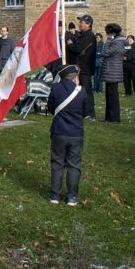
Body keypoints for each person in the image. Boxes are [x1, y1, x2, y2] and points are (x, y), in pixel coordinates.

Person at [47, 65, 86, 207]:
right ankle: (72, 197)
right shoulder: (82, 91)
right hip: (76, 133)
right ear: (75, 77)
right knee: (74, 165)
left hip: (58, 131)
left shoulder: (56, 88)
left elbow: (50, 107)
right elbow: (86, 111)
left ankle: (54, 196)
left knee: (57, 164)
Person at [67, 14, 96, 120]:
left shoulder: (89, 36)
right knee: (81, 90)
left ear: (88, 24)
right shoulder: (83, 35)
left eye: (82, 22)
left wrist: (70, 44)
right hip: (81, 67)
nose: (79, 24)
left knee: (86, 90)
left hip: (85, 68)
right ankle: (83, 111)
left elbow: (78, 49)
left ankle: (90, 113)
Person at [101, 23, 126, 123]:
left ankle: (114, 118)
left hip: (112, 71)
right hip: (111, 71)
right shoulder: (118, 41)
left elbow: (105, 52)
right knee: (109, 95)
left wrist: (108, 40)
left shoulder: (117, 42)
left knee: (112, 96)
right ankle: (108, 117)